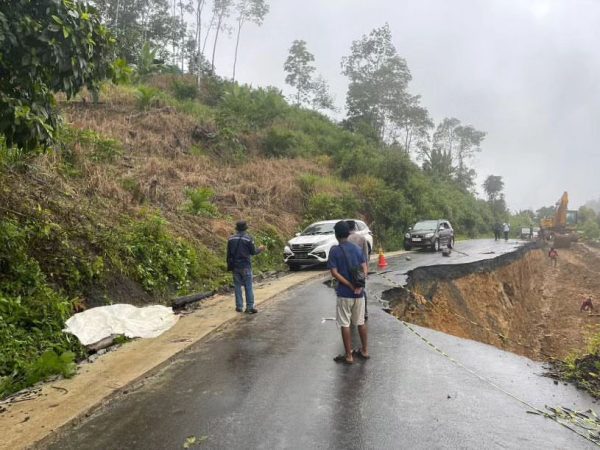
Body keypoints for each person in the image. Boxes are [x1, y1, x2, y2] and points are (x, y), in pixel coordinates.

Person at [327, 221, 369, 365]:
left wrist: (349, 285)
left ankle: (349, 356)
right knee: (360, 322)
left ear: (336, 235)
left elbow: (334, 272)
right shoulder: (357, 249)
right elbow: (365, 268)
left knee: (345, 323)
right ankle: (364, 350)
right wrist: (360, 285)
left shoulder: (334, 251)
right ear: (348, 233)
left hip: (345, 293)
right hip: (359, 293)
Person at [226, 221, 265, 313]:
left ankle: (239, 306)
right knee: (248, 286)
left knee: (237, 286)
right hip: (245, 266)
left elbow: (228, 254)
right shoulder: (248, 239)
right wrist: (260, 249)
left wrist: (229, 265)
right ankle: (249, 307)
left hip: (235, 266)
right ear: (245, 228)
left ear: (236, 228)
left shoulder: (231, 239)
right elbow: (253, 252)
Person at [346, 220, 369, 321]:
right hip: (359, 268)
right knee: (361, 290)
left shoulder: (345, 239)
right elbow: (365, 255)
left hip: (347, 269)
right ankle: (364, 312)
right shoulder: (362, 238)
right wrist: (366, 271)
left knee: (348, 290)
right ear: (355, 227)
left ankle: (351, 313)